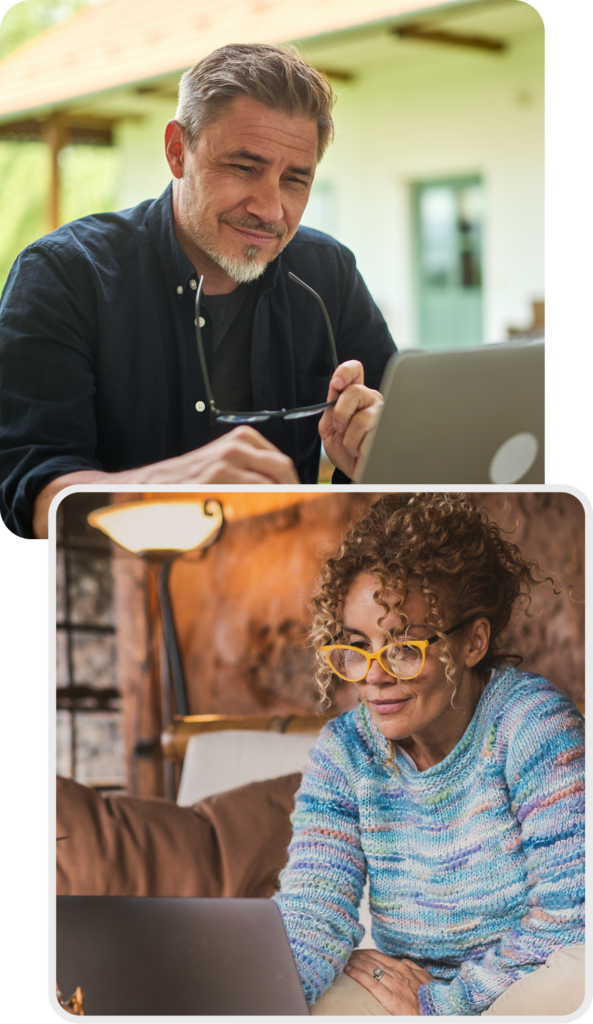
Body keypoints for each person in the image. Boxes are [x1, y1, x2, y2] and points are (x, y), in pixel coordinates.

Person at [0, 44, 396, 540]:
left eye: (295, 179)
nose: (271, 209)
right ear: (176, 151)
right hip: (126, 581)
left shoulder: (328, 271)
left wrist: (378, 464)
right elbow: (34, 498)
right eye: (245, 167)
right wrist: (170, 490)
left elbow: (400, 462)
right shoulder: (64, 274)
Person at [273, 494, 585, 1016]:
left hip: (522, 983)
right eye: (358, 647)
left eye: (403, 647)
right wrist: (267, 995)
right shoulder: (345, 752)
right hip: (407, 988)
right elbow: (312, 910)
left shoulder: (531, 724)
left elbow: (573, 911)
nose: (374, 676)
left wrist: (442, 1005)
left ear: (473, 642)